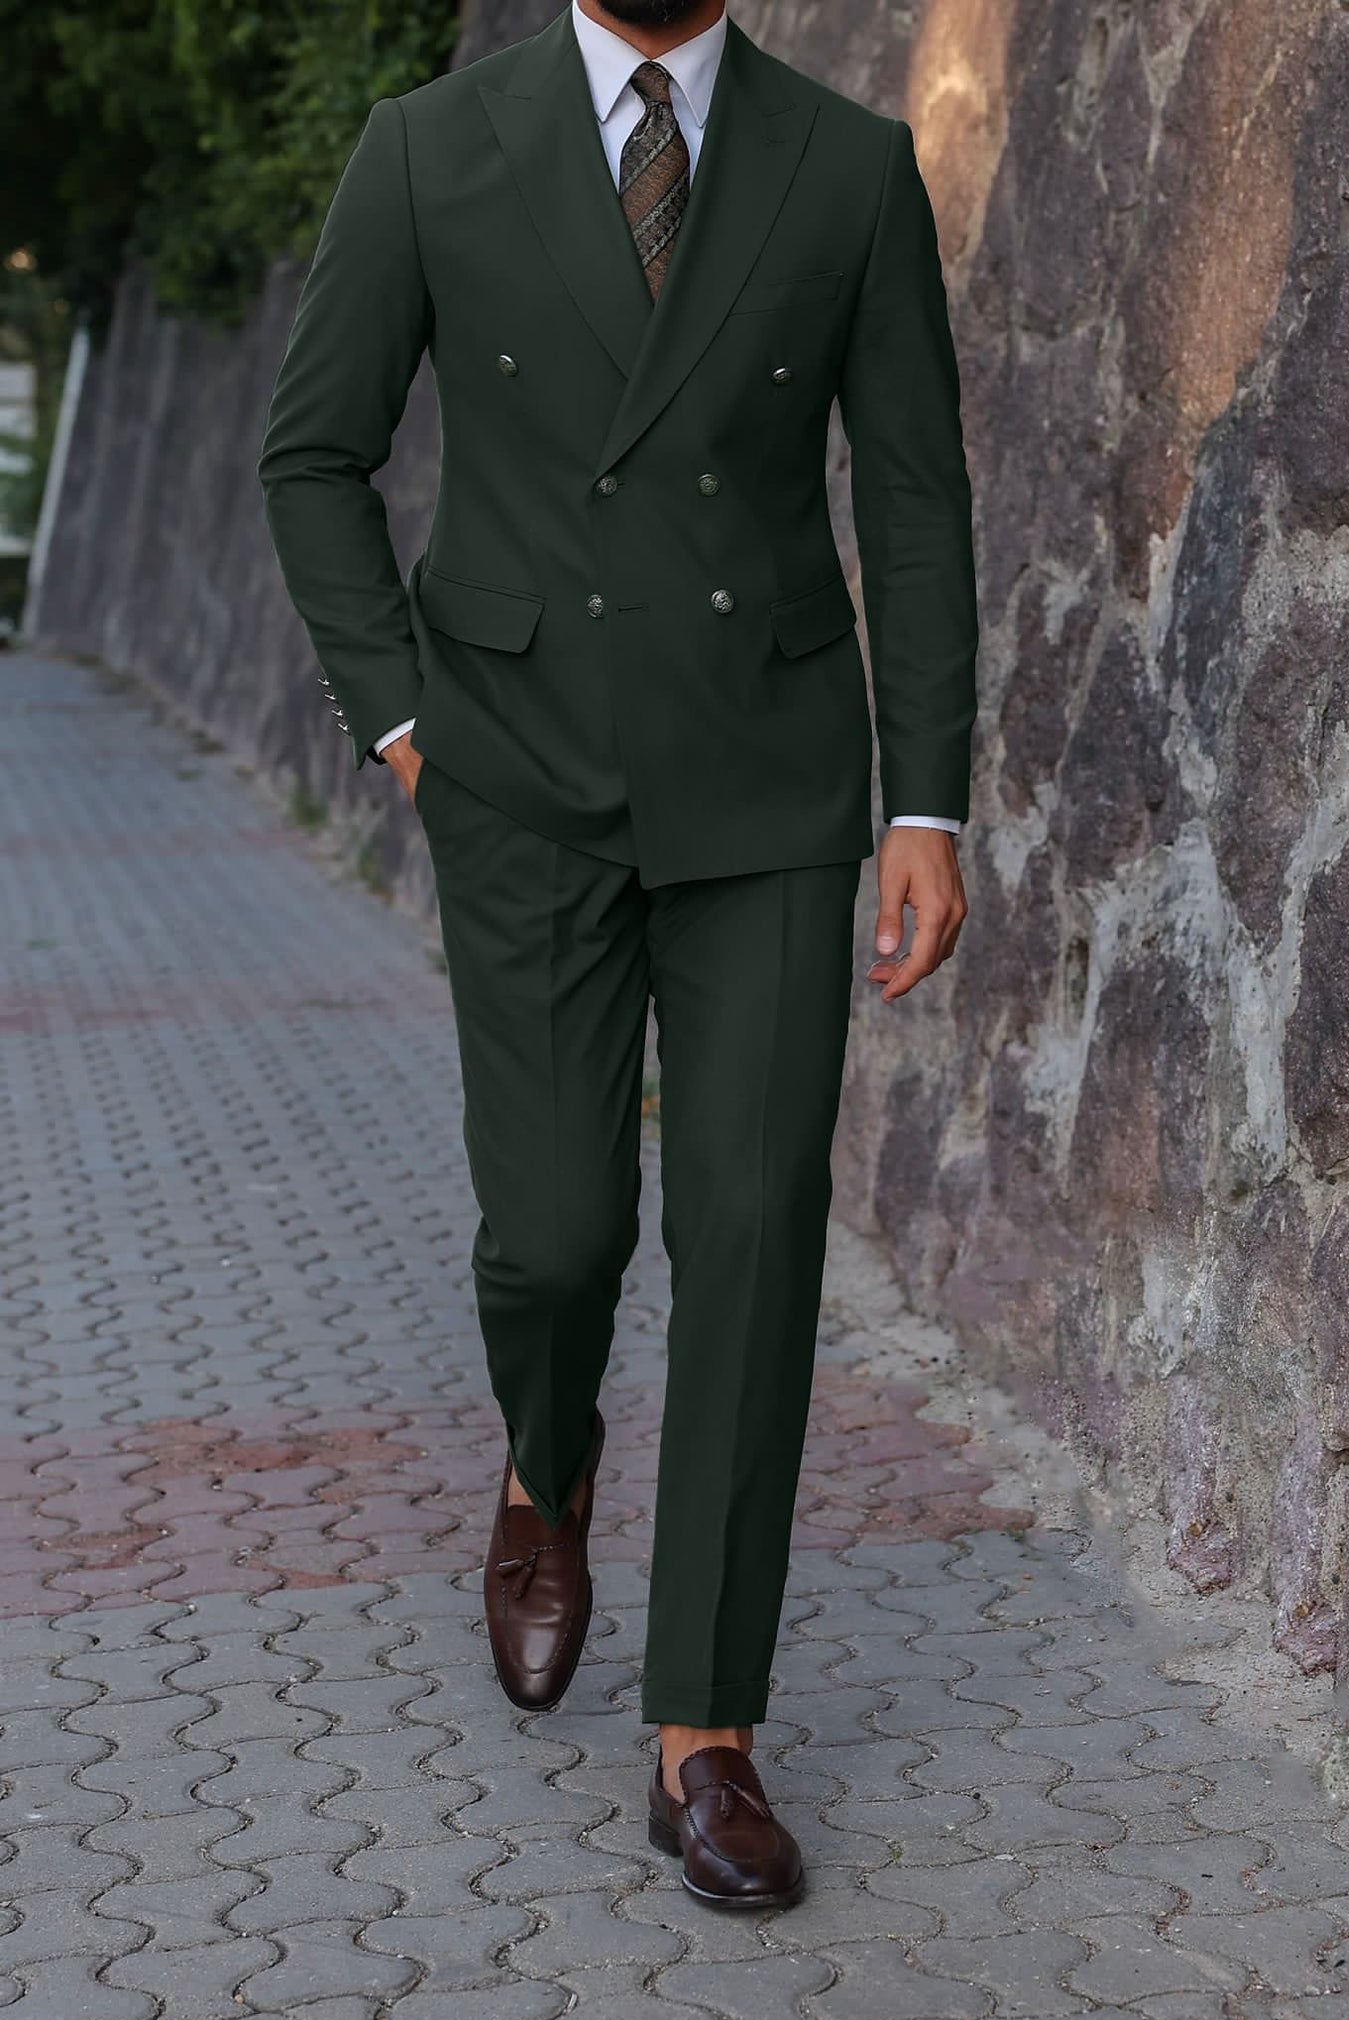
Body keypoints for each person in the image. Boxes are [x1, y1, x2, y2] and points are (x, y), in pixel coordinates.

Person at [257, 0, 977, 1910]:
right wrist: (404, 722)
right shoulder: (428, 150)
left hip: (771, 780)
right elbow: (312, 454)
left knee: (752, 1225)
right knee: (558, 1232)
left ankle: (705, 1733)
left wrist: (928, 800)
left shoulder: (851, 169)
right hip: (518, 776)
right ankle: (545, 1449)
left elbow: (913, 492)